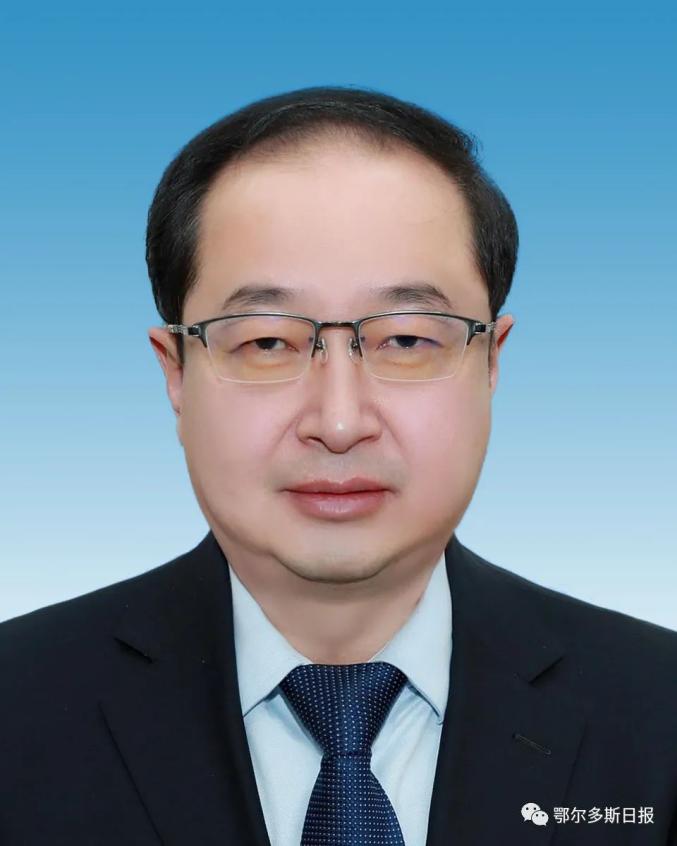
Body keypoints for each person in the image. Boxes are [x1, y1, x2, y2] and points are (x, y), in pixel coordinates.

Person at [1, 85, 676, 846]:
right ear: (175, 372)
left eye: (407, 339)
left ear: (491, 361)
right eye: (266, 342)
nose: (340, 422)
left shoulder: (656, 711)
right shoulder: (17, 707)